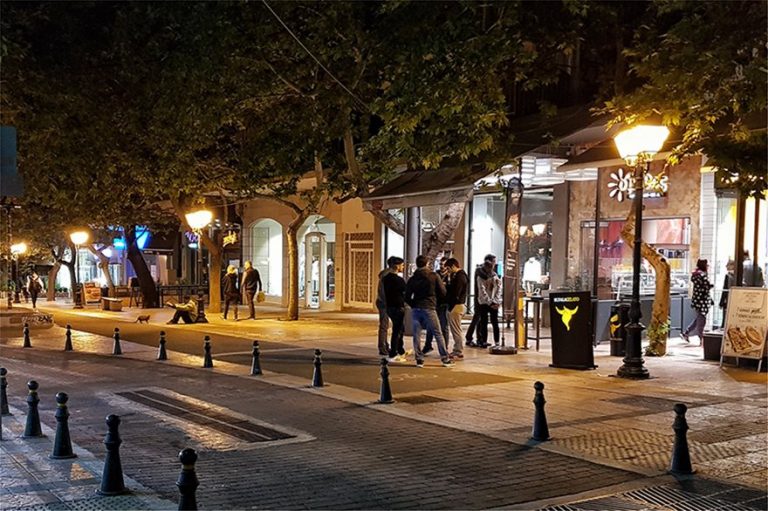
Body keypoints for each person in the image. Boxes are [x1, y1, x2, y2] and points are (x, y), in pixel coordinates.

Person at [405, 255, 452, 368]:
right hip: (429, 307)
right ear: (427, 264)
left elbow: (406, 296)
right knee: (438, 333)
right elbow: (443, 292)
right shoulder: (433, 276)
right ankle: (445, 358)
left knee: (417, 334)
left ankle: (419, 359)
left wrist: (413, 304)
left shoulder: (413, 278)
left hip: (416, 308)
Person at [466, 254, 496, 347]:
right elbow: (485, 277)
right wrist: (492, 274)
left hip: (486, 299)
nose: (494, 264)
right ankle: (469, 338)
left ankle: (480, 339)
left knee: (480, 320)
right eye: (493, 261)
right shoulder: (480, 270)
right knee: (476, 318)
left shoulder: (489, 271)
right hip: (479, 299)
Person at [381, 256, 407, 361]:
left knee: (399, 328)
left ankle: (400, 349)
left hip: (390, 306)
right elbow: (405, 292)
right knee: (397, 330)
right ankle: (394, 352)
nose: (403, 267)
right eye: (402, 265)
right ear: (397, 266)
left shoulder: (385, 279)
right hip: (398, 306)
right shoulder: (398, 280)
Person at [682, 259, 713, 344]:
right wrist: (710, 286)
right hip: (703, 301)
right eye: (707, 265)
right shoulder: (702, 275)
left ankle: (687, 332)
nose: (708, 267)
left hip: (697, 300)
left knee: (699, 318)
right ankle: (701, 338)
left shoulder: (696, 275)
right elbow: (706, 286)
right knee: (701, 319)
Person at [423, 256, 450, 354]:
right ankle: (428, 345)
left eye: (444, 264)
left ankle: (445, 347)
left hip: (444, 304)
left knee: (444, 326)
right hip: (434, 303)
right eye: (441, 264)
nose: (442, 266)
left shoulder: (449, 276)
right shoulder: (435, 274)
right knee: (430, 325)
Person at [444, 258, 468, 359]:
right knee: (456, 329)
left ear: (453, 266)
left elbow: (456, 293)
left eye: (448, 268)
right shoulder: (460, 276)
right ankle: (458, 350)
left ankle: (458, 350)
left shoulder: (460, 277)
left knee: (456, 330)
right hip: (458, 306)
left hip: (456, 306)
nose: (448, 271)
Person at [476, 258, 502, 348]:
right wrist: (489, 302)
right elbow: (482, 291)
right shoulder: (480, 277)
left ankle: (497, 341)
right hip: (484, 303)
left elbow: (498, 288)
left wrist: (496, 301)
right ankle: (484, 341)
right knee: (484, 322)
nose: (490, 270)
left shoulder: (495, 276)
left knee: (495, 322)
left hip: (494, 302)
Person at [375, 260, 395, 357]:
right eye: (401, 265)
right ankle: (382, 347)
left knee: (384, 325)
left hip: (383, 302)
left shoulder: (385, 274)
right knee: (384, 325)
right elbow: (384, 291)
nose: (402, 267)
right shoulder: (388, 276)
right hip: (385, 303)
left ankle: (384, 345)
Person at [719, 259, 735, 328]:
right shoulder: (738, 276)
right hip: (734, 300)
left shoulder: (728, 276)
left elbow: (725, 289)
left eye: (728, 265)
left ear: (732, 265)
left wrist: (721, 302)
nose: (726, 266)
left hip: (728, 299)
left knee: (725, 317)